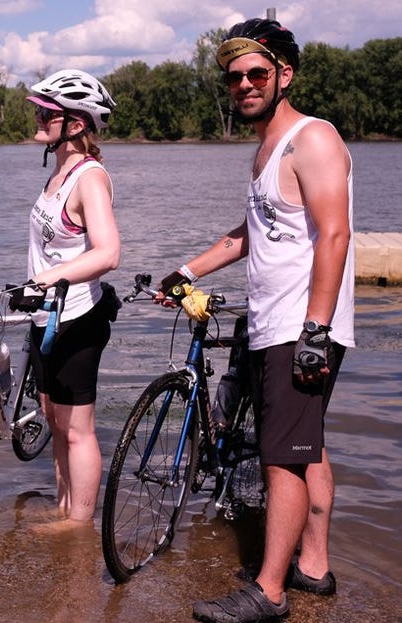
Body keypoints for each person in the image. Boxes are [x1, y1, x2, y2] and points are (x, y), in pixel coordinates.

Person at [156, 19, 354, 623]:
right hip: (274, 324)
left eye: (256, 73)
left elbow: (336, 233)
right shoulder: (267, 150)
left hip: (301, 326)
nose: (243, 84)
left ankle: (267, 592)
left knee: (282, 456)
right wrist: (185, 272)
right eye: (235, 76)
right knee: (305, 446)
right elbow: (249, 235)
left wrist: (316, 331)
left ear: (283, 75)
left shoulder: (311, 139)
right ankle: (312, 570)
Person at [19, 70, 121, 527]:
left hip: (79, 316)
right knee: (54, 420)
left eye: (48, 112)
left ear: (76, 124)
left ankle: (78, 527)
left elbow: (109, 252)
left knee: (78, 430)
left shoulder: (89, 178)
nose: (39, 117)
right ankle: (65, 509)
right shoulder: (59, 170)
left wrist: (55, 275)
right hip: (46, 316)